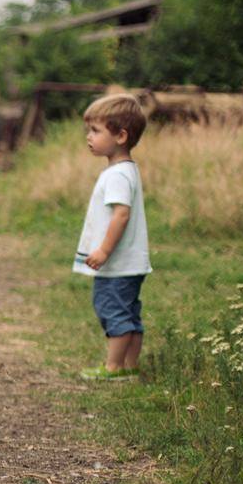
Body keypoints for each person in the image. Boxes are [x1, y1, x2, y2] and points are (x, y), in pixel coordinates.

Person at [74, 93, 151, 379]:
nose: (89, 137)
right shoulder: (126, 170)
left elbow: (121, 215)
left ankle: (114, 367)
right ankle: (130, 366)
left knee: (113, 311)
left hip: (117, 265)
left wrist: (104, 251)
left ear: (120, 136)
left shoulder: (117, 175)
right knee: (130, 314)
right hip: (132, 263)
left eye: (95, 130)